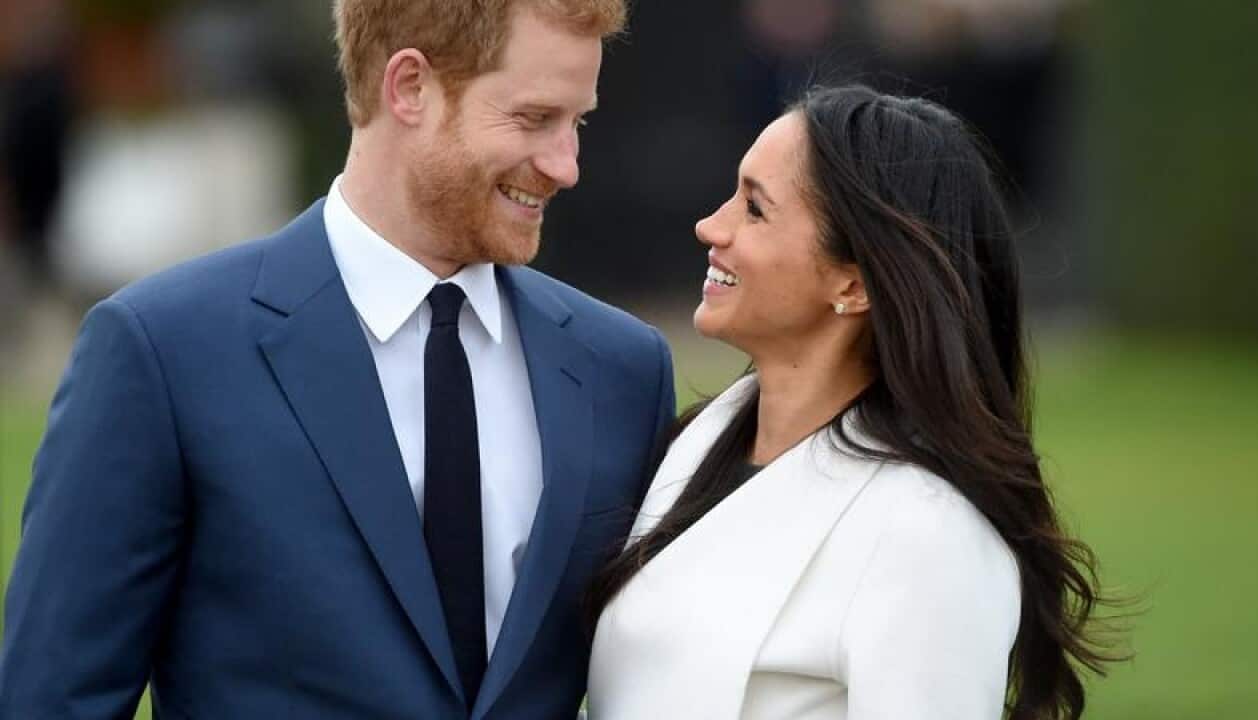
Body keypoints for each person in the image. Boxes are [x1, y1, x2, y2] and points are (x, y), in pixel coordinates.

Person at [0, 1, 674, 718]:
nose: (565, 165)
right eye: (534, 119)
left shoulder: (622, 372)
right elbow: (53, 700)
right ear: (409, 87)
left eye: (579, 122)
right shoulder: (162, 352)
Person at [587, 85, 1117, 719]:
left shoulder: (928, 537)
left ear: (853, 282)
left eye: (754, 208)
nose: (711, 226)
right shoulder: (695, 443)